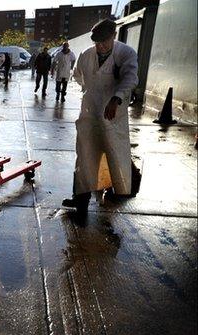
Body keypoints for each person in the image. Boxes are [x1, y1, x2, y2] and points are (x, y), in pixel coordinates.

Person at [62, 19, 138, 215]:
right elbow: (78, 76)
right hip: (89, 113)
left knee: (114, 155)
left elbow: (130, 78)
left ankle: (115, 192)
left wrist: (116, 98)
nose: (101, 46)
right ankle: (81, 199)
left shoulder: (125, 53)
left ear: (114, 35)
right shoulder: (86, 55)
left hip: (114, 116)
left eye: (105, 41)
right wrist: (91, 92)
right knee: (85, 156)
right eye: (97, 42)